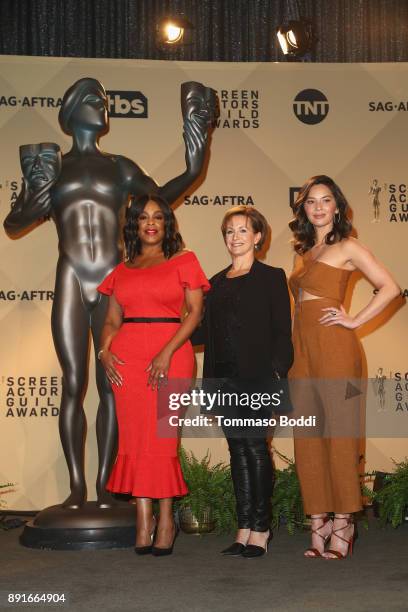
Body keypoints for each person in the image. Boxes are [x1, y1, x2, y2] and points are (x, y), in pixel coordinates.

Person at [3, 77, 210, 510]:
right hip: (71, 278)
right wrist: (37, 190)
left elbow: (160, 200)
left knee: (111, 386)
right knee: (74, 383)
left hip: (115, 284)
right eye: (95, 100)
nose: (104, 107)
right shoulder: (52, 165)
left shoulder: (119, 166)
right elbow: (14, 223)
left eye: (105, 100)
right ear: (73, 109)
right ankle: (76, 489)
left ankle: (105, 487)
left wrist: (194, 158)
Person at [288, 175, 400, 560]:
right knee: (308, 437)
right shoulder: (303, 251)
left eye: (325, 200)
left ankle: (343, 524)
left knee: (340, 436)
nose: (318, 207)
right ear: (304, 209)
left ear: (337, 206)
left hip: (335, 348)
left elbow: (391, 287)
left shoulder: (349, 246)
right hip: (301, 350)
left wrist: (354, 320)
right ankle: (317, 521)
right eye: (311, 202)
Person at [97, 193, 210, 555]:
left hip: (171, 354)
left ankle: (166, 520)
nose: (150, 223)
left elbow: (194, 313)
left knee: (162, 439)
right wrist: (104, 351)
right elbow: (113, 319)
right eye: (143, 217)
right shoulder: (123, 268)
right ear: (135, 225)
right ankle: (143, 519)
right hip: (126, 361)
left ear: (167, 225)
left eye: (158, 217)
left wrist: (167, 351)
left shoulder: (184, 261)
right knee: (133, 440)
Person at [192, 206, 293, 558]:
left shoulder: (272, 277)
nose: (235, 237)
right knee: (237, 452)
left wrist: (278, 373)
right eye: (229, 232)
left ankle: (261, 529)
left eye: (242, 230)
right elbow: (203, 334)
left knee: (255, 449)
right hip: (224, 380)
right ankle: (243, 528)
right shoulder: (215, 283)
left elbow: (283, 331)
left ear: (258, 236)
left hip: (258, 379)